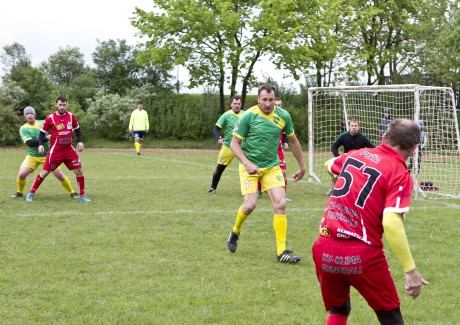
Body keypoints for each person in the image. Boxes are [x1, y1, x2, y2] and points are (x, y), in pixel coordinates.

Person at [312, 118, 429, 325]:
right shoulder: (400, 172)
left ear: (384, 138)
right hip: (361, 254)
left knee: (339, 308)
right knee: (390, 316)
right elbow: (391, 223)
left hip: (324, 248)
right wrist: (410, 271)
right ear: (413, 149)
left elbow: (328, 164)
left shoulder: (355, 155)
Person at [227, 84, 306, 263]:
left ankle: (281, 252)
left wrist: (302, 167)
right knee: (249, 206)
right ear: (258, 99)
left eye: (271, 100)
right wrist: (247, 163)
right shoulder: (249, 116)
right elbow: (234, 144)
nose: (268, 104)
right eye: (264, 100)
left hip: (271, 167)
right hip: (250, 167)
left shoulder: (283, 116)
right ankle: (235, 231)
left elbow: (293, 141)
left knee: (280, 204)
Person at [25, 96, 91, 202]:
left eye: (64, 105)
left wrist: (80, 141)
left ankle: (82, 194)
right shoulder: (50, 118)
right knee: (45, 172)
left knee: (79, 171)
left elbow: (78, 129)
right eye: (60, 105)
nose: (62, 107)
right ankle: (31, 192)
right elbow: (42, 134)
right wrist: (40, 144)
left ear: (66, 105)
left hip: (69, 150)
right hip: (56, 151)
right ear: (56, 105)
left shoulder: (71, 116)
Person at [11, 106, 78, 199]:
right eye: (27, 114)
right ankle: (19, 192)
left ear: (35, 115)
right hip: (32, 156)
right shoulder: (23, 128)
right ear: (24, 117)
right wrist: (47, 138)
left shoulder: (43, 122)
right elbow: (30, 143)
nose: (29, 115)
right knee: (21, 174)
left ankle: (72, 192)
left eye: (31, 113)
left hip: (48, 155)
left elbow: (59, 127)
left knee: (60, 175)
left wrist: (68, 130)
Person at [327, 119, 375, 195]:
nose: (354, 127)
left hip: (359, 161)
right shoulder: (343, 136)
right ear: (349, 126)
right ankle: (334, 189)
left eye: (356, 126)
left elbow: (373, 148)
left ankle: (360, 191)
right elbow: (334, 147)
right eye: (352, 125)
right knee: (334, 169)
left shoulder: (363, 138)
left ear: (359, 127)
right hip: (345, 160)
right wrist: (338, 157)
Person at [256, 97, 291, 201]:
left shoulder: (283, 117)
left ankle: (283, 193)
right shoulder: (265, 117)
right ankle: (258, 189)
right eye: (276, 105)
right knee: (260, 170)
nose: (278, 107)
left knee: (283, 172)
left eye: (280, 105)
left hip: (278, 149)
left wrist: (285, 142)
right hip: (266, 150)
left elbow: (286, 133)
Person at [208, 96, 243, 194]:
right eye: (235, 104)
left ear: (241, 104)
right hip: (228, 146)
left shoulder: (245, 115)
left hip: (243, 147)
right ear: (231, 104)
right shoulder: (226, 115)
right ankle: (212, 188)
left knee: (250, 166)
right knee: (219, 168)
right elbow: (216, 128)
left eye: (238, 104)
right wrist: (218, 138)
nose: (236, 106)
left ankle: (256, 190)